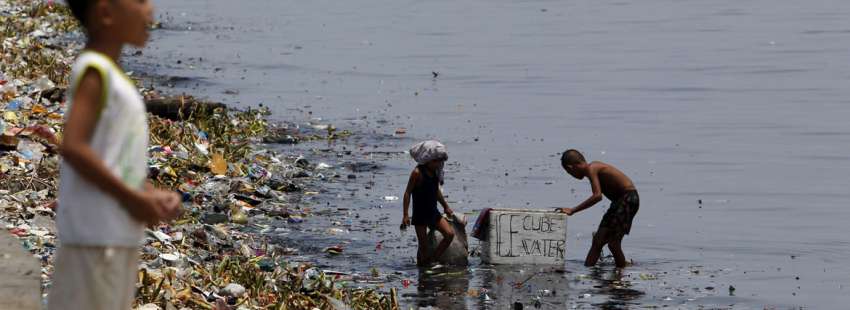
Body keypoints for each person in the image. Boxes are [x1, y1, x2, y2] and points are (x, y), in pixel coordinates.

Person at [48, 1, 181, 309]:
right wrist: (132, 199)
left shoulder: (113, 75)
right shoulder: (94, 71)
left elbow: (112, 158)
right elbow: (74, 146)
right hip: (94, 239)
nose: (150, 10)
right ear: (106, 14)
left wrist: (149, 194)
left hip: (114, 237)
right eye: (139, 1)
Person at [556, 149, 639, 268]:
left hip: (627, 200)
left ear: (571, 167)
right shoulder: (592, 169)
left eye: (569, 173)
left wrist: (573, 210)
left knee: (613, 243)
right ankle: (590, 271)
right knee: (598, 241)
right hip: (621, 202)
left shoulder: (592, 168)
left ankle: (620, 275)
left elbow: (597, 196)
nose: (572, 176)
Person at [402, 140, 455, 266]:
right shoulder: (417, 173)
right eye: (435, 161)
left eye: (439, 161)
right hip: (420, 214)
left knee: (449, 234)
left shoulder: (435, 172)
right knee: (423, 246)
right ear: (427, 160)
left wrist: (446, 206)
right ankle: (421, 267)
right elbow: (407, 193)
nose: (438, 164)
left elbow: (436, 191)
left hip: (433, 212)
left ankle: (433, 259)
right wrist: (405, 215)